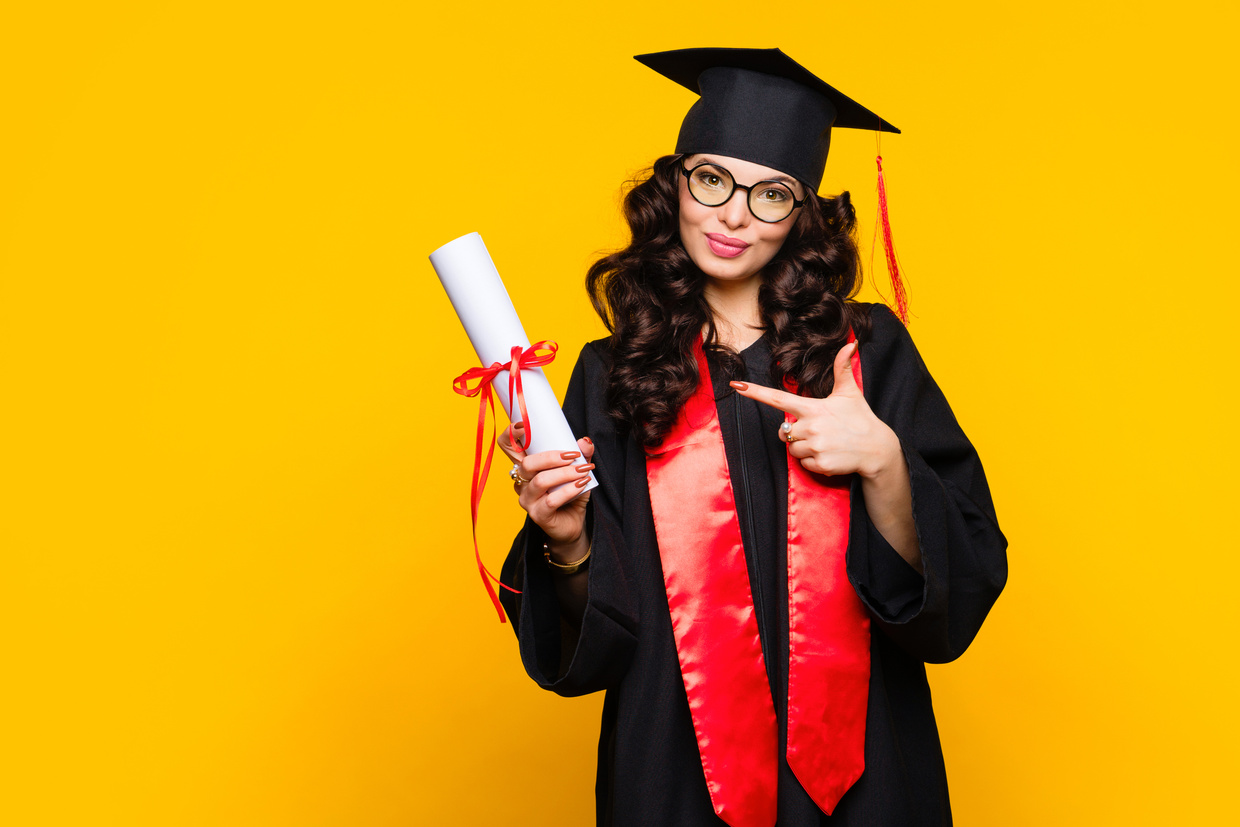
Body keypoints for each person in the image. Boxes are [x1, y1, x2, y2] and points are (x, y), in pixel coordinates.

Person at [496, 47, 1008, 827]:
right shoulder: (615, 372)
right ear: (674, 185)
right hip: (676, 766)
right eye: (711, 179)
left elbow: (964, 580)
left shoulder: (869, 352)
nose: (733, 215)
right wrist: (568, 541)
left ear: (803, 214)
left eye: (771, 194)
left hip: (864, 766)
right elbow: (597, 643)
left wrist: (884, 463)